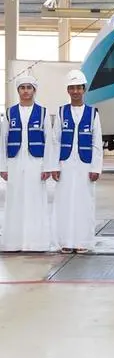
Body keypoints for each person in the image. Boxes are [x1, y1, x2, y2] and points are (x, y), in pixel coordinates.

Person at [51, 69, 103, 253]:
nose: (75, 91)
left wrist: (96, 167)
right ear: (68, 90)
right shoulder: (61, 112)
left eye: (78, 88)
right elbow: (55, 140)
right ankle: (65, 241)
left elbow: (97, 142)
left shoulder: (92, 113)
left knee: (85, 202)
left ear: (84, 89)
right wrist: (54, 166)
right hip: (65, 164)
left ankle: (83, 241)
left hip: (85, 164)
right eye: (71, 88)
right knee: (64, 202)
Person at [0, 75, 53, 252]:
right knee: (15, 201)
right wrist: (3, 166)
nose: (25, 91)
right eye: (22, 87)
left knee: (35, 200)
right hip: (14, 162)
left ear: (34, 90)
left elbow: (49, 141)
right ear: (18, 91)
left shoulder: (43, 112)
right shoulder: (10, 112)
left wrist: (47, 166)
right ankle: (13, 242)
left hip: (36, 162)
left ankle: (36, 243)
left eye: (29, 87)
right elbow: (3, 140)